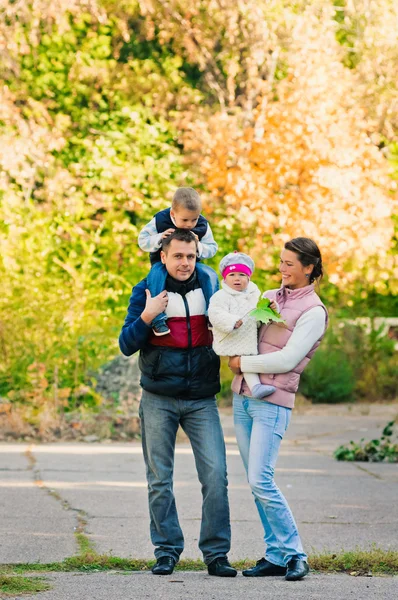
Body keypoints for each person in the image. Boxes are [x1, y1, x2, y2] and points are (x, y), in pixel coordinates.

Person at [119, 229, 236, 578]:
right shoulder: (147, 290)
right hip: (158, 398)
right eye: (178, 256)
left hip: (201, 399)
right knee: (159, 479)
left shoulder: (213, 290)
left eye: (190, 256)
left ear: (197, 255)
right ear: (164, 257)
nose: (185, 263)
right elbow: (126, 343)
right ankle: (166, 550)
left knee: (216, 476)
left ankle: (216, 554)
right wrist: (147, 314)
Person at [228, 237, 328, 582]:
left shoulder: (314, 311)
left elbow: (288, 359)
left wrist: (242, 361)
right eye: (281, 262)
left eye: (289, 263)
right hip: (243, 398)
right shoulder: (267, 297)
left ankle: (296, 554)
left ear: (309, 267)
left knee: (261, 479)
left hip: (273, 403)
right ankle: (274, 555)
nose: (281, 268)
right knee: (256, 484)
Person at [138, 187, 218, 336]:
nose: (189, 224)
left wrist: (198, 245)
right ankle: (158, 319)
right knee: (156, 276)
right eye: (185, 220)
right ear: (173, 214)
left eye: (194, 219)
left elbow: (212, 248)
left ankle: (212, 313)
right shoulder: (160, 220)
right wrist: (159, 237)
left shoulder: (202, 224)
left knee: (210, 274)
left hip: (193, 264)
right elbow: (142, 241)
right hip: (161, 263)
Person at [208, 252, 277, 399]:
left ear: (248, 278)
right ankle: (255, 387)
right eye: (232, 275)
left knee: (246, 359)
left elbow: (257, 317)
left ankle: (254, 386)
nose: (237, 279)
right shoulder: (220, 296)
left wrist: (269, 310)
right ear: (225, 279)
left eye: (242, 275)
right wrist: (231, 321)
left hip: (248, 336)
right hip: (232, 336)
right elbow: (215, 313)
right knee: (243, 358)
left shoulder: (253, 296)